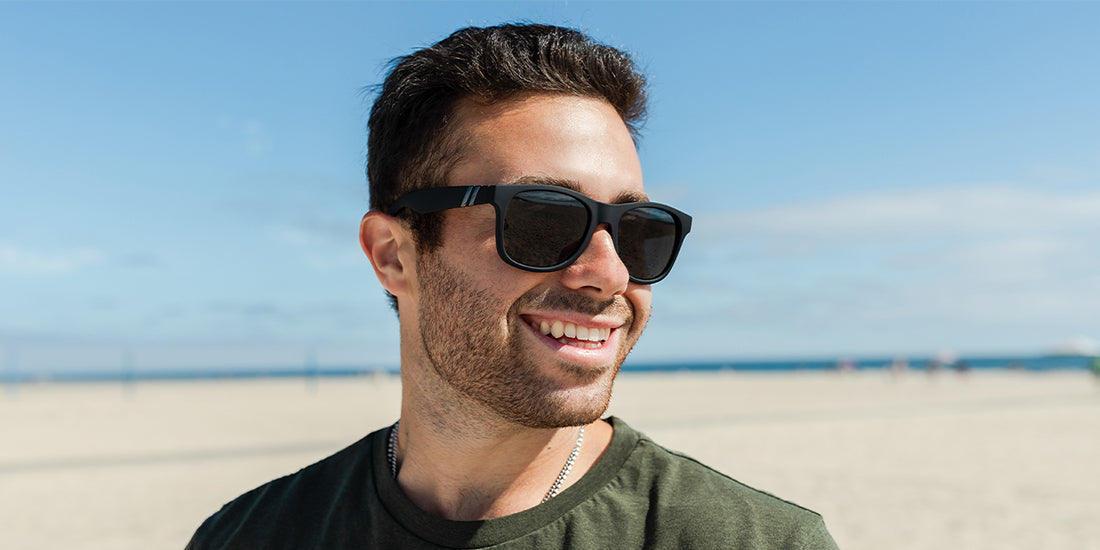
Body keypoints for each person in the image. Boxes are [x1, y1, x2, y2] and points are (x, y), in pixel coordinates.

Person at [186, 23, 838, 549]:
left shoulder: (754, 541)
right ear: (393, 255)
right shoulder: (250, 535)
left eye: (639, 230)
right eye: (544, 220)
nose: (610, 273)